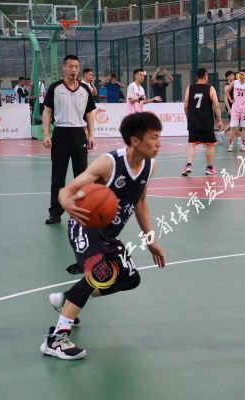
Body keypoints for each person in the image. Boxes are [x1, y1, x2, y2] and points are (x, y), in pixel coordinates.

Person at [41, 112, 166, 360]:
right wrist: (66, 202)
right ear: (135, 141)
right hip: (84, 226)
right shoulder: (109, 164)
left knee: (129, 279)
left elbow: (140, 201)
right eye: (154, 137)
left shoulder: (150, 165)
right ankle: (56, 339)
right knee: (99, 272)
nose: (159, 143)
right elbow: (68, 190)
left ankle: (68, 299)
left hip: (108, 234)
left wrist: (151, 240)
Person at [43, 55, 96, 225]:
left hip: (79, 133)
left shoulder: (85, 89)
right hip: (60, 133)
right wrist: (46, 134)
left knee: (81, 175)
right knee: (58, 176)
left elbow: (89, 114)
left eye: (76, 67)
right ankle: (55, 212)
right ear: (64, 68)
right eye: (71, 66)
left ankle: (79, 211)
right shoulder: (55, 88)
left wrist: (91, 135)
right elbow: (47, 111)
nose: (74, 70)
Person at [181, 68, 223, 177]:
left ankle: (188, 165)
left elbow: (185, 106)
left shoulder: (190, 88)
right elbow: (217, 106)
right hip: (207, 121)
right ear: (206, 76)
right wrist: (219, 121)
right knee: (210, 144)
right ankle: (209, 168)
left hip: (193, 120)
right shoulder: (211, 88)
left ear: (196, 77)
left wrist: (189, 118)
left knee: (191, 143)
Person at [223, 70, 235, 137]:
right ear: (227, 77)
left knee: (235, 123)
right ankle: (222, 133)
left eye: (233, 75)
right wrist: (229, 109)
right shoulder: (227, 86)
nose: (232, 76)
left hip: (236, 106)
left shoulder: (235, 85)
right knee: (234, 123)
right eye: (230, 76)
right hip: (230, 106)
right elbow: (225, 99)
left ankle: (221, 133)